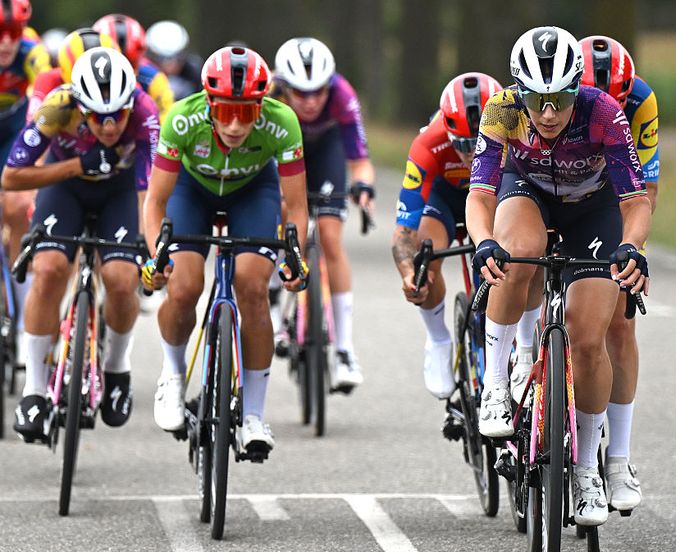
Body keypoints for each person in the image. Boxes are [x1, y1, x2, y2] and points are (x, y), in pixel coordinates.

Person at [465, 26, 650, 526]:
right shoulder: (501, 110)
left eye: (561, 100)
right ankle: (496, 385)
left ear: (577, 89)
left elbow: (636, 200)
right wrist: (484, 241)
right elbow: (480, 194)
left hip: (593, 209)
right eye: (536, 100)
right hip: (528, 193)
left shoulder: (603, 112)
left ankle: (588, 468)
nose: (548, 113)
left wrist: (631, 246)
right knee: (516, 252)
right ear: (518, 91)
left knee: (589, 340)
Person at [143, 46, 308, 453]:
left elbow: (297, 207)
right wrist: (155, 255)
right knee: (184, 287)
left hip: (252, 191)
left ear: (262, 106)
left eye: (247, 113)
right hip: (192, 191)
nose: (235, 125)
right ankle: (173, 374)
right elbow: (155, 202)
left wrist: (295, 258)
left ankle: (253, 415)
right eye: (225, 111)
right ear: (208, 103)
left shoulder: (283, 122)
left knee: (252, 287)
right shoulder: (181, 118)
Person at [2, 47, 159, 440]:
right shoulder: (58, 108)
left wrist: (149, 243)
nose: (109, 126)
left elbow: (151, 190)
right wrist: (77, 166)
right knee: (49, 269)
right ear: (79, 105)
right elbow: (12, 176)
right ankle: (34, 389)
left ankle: (117, 367)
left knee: (121, 278)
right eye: (98, 117)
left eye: (118, 115)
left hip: (120, 193)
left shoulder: (144, 111)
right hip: (66, 188)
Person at [579, 34, 659, 514]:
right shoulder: (555, 100)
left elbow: (646, 187)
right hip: (560, 189)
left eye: (617, 101)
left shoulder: (642, 99)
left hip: (615, 195)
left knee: (620, 322)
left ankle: (619, 459)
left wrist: (634, 250)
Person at [391, 72, 502, 399]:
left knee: (506, 257)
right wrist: (410, 273)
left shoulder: (515, 129)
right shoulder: (428, 143)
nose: (471, 154)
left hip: (491, 196)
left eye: (479, 143)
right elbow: (404, 230)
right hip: (445, 200)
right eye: (463, 145)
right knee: (424, 257)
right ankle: (438, 339)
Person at [272, 37, 374, 391]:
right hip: (283, 153)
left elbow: (360, 161)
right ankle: (273, 298)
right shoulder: (269, 96)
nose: (311, 100)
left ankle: (344, 350)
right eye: (301, 93)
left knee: (330, 238)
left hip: (326, 154)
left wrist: (364, 186)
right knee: (280, 216)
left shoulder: (342, 94)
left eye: (318, 91)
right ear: (283, 86)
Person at [0, 0, 50, 344]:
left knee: (18, 207)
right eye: (0, 33)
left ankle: (22, 319)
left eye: (14, 32)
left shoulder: (33, 50)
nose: (7, 42)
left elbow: (42, 106)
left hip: (16, 129)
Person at [93, 14, 174, 122]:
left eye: (130, 63)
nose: (121, 73)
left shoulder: (154, 79)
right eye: (111, 66)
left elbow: (166, 119)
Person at [145, 20, 202, 101]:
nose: (169, 65)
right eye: (160, 58)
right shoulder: (143, 76)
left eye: (177, 57)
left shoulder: (195, 74)